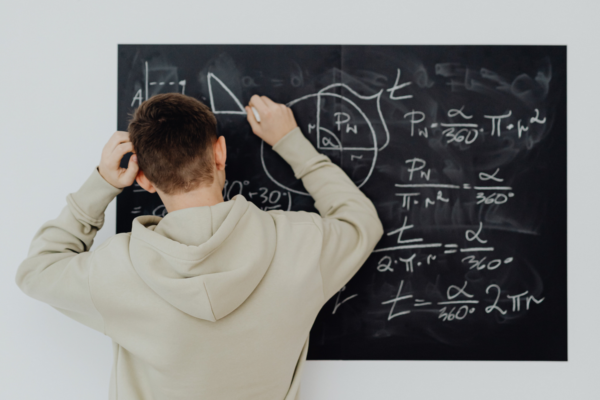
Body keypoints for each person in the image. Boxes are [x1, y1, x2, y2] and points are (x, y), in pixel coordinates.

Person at [15, 92, 384, 400]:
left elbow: (36, 271)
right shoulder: (300, 245)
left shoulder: (117, 270)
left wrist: (100, 184)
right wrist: (290, 142)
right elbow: (360, 222)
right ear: (220, 152)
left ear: (141, 178)